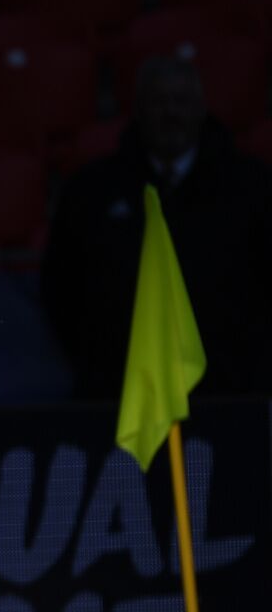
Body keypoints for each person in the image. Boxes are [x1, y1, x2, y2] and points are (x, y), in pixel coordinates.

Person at [42, 55, 272, 401]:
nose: (171, 112)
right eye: (159, 101)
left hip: (229, 393)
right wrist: (101, 358)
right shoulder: (91, 190)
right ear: (138, 109)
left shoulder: (252, 187)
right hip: (120, 393)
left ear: (201, 109)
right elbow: (62, 287)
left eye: (181, 101)